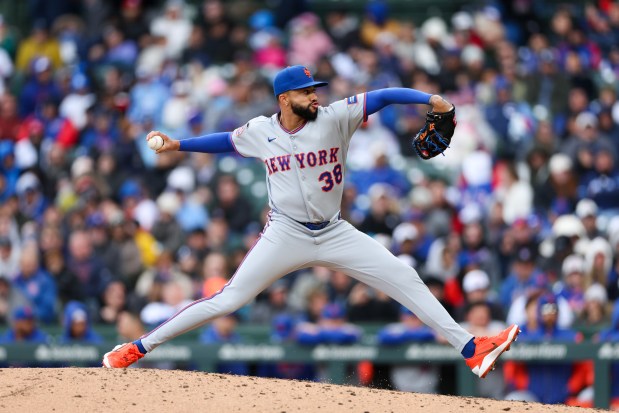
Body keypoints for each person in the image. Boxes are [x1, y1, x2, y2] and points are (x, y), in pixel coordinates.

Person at [102, 65, 520, 378]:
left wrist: (433, 100)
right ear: (284, 98)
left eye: (316, 89)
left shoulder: (337, 116)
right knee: (227, 300)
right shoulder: (260, 130)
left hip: (335, 231)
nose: (315, 96)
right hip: (285, 232)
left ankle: (471, 348)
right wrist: (178, 144)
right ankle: (138, 347)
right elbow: (225, 142)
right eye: (306, 91)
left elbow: (387, 95)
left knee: (404, 276)